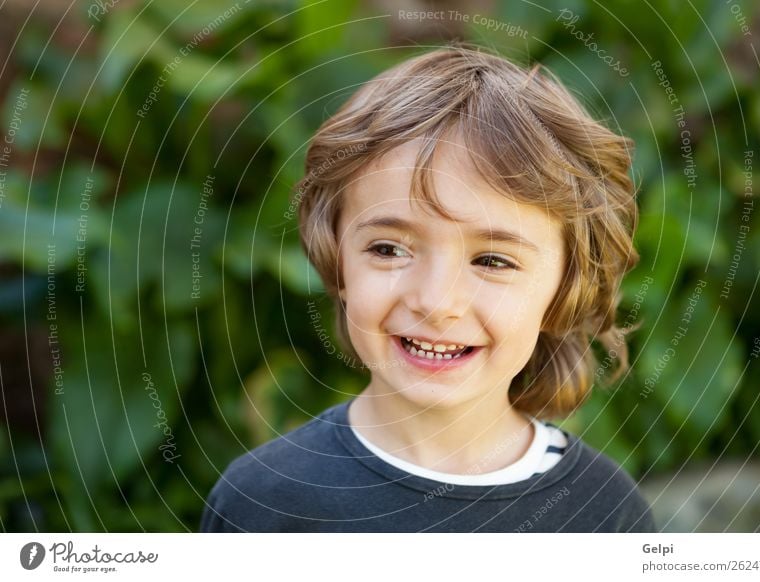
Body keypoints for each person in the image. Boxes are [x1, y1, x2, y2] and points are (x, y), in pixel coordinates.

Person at [200, 43, 656, 532]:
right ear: (338, 261)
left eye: (493, 260)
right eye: (389, 250)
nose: (436, 302)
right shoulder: (263, 500)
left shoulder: (605, 513)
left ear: (563, 289)